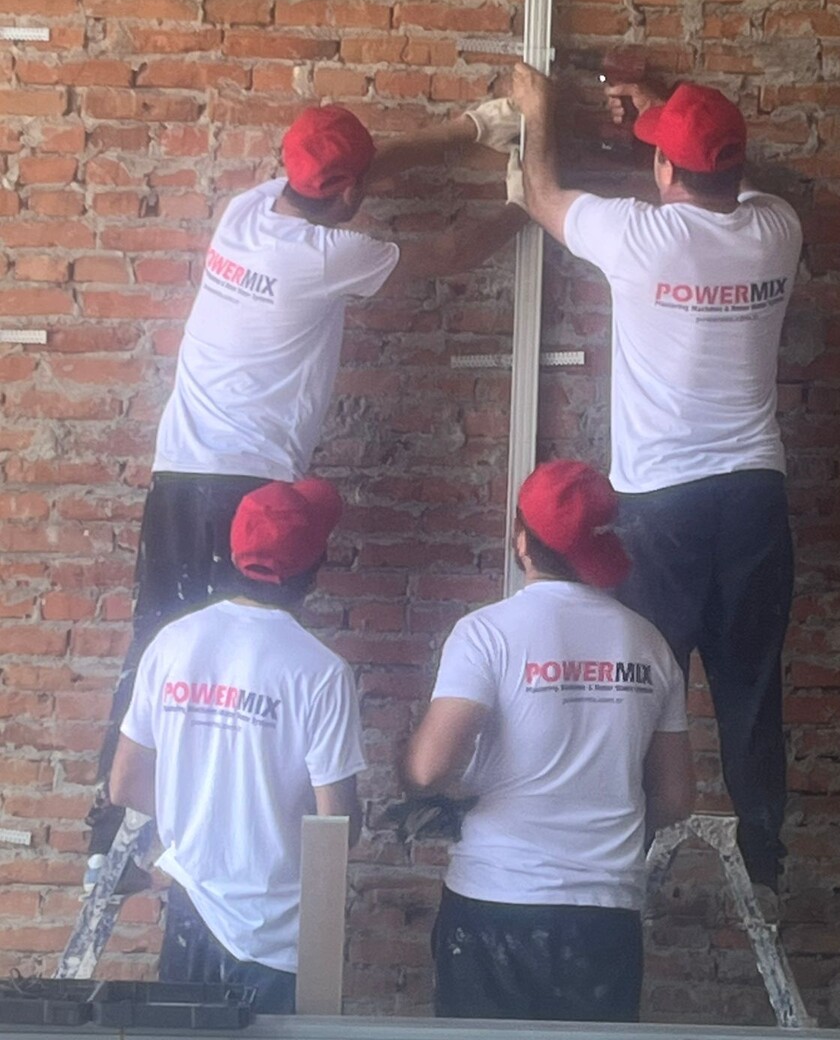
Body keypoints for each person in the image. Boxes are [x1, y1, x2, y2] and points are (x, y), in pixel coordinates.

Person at [89, 98, 525, 866]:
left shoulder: (248, 209)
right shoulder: (325, 256)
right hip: (244, 489)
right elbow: (454, 251)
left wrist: (469, 130)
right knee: (241, 663)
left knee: (159, 644)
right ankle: (196, 840)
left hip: (179, 472)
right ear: (349, 193)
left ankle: (114, 832)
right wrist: (531, 201)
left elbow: (359, 173)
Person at [510, 63, 803, 898]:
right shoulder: (776, 228)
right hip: (754, 495)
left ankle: (621, 854)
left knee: (641, 680)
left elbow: (541, 194)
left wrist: (539, 109)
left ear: (664, 168)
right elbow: (741, 176)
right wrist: (664, 115)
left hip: (663, 505)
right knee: (750, 684)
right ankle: (764, 859)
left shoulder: (637, 236)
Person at [405, 460, 694, 1023]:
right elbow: (676, 798)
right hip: (605, 912)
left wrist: (417, 770)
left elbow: (429, 769)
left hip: (495, 898)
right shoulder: (649, 643)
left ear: (521, 539)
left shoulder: (485, 633)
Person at [109, 477, 364, 1013]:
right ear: (316, 567)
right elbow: (336, 831)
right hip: (275, 936)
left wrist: (202, 815)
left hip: (190, 911)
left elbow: (125, 783)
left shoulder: (172, 642)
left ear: (232, 553)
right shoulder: (321, 671)